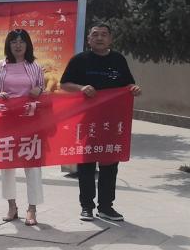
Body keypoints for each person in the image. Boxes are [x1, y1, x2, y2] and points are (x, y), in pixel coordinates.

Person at [60, 23, 142, 222]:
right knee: (86, 164)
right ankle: (86, 206)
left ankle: (106, 207)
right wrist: (81, 88)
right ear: (89, 39)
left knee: (110, 163)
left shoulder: (118, 60)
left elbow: (128, 85)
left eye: (104, 34)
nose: (99, 38)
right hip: (86, 121)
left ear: (110, 39)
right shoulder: (80, 60)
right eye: (95, 34)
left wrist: (134, 89)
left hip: (112, 121)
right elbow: (64, 84)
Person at [0, 29, 46, 226]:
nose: (18, 45)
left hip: (30, 121)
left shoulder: (35, 67)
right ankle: (12, 206)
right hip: (6, 121)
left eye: (21, 41)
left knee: (33, 165)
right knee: (7, 165)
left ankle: (32, 208)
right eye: (13, 41)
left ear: (27, 45)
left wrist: (39, 90)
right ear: (8, 45)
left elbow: (43, 90)